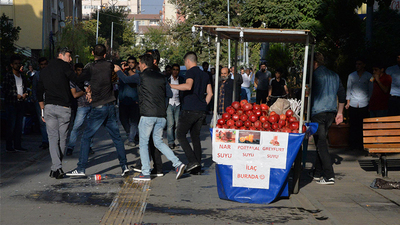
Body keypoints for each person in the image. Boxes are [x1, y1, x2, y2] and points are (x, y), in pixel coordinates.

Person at [116, 54, 186, 181]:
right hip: (161, 115)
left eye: (139, 64)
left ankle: (146, 172)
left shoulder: (141, 76)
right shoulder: (162, 77)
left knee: (143, 143)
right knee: (158, 142)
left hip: (147, 115)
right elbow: (169, 93)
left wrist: (118, 71)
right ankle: (178, 163)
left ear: (142, 64)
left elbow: (126, 80)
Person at [66, 44, 129, 177]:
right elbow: (118, 72)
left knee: (86, 137)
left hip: (98, 105)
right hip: (110, 104)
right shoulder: (110, 65)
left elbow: (78, 80)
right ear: (105, 54)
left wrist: (86, 89)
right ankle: (124, 166)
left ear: (93, 53)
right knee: (117, 137)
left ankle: (81, 168)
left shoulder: (90, 67)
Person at [37, 47, 81, 179]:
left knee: (52, 138)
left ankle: (55, 167)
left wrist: (42, 109)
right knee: (62, 138)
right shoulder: (65, 67)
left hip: (49, 107)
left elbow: (38, 92)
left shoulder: (44, 71)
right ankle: (58, 166)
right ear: (61, 55)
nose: (71, 59)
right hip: (64, 107)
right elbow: (75, 79)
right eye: (69, 56)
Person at [171, 51, 213, 175]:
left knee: (180, 134)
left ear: (188, 61)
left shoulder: (190, 72)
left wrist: (171, 86)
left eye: (185, 62)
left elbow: (188, 86)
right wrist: (203, 105)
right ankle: (197, 167)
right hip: (201, 110)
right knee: (195, 137)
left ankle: (192, 161)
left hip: (189, 109)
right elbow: (210, 93)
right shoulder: (205, 74)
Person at [310, 52, 346, 185]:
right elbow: (342, 95)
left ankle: (329, 175)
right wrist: (340, 113)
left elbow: (309, 94)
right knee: (322, 141)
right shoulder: (335, 75)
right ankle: (317, 173)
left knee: (321, 143)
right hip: (331, 112)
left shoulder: (314, 75)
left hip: (317, 112)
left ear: (315, 63)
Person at [65, 63, 94, 156]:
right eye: (78, 70)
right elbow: (75, 94)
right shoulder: (73, 81)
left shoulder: (88, 80)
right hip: (81, 106)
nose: (80, 72)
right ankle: (70, 147)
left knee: (90, 128)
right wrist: (85, 91)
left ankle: (89, 147)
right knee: (76, 127)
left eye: (82, 70)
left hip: (91, 105)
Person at [2, 54, 29, 152]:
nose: (17, 65)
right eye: (15, 64)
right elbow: (5, 89)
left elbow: (25, 88)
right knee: (11, 125)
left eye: (19, 63)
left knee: (19, 126)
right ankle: (9, 146)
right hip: (11, 103)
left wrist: (25, 94)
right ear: (11, 65)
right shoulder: (8, 76)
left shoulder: (22, 76)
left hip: (20, 103)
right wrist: (15, 95)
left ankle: (18, 145)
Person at [345, 58, 373, 151]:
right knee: (353, 125)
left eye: (359, 64)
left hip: (364, 103)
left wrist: (369, 103)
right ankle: (353, 145)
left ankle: (362, 144)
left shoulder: (369, 76)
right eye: (356, 64)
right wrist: (348, 102)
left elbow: (371, 90)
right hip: (353, 102)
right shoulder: (351, 76)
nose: (357, 66)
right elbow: (349, 89)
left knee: (363, 125)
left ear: (364, 65)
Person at [119, 56, 140, 147]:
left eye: (132, 62)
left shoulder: (137, 74)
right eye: (129, 62)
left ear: (135, 64)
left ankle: (131, 139)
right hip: (123, 101)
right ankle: (131, 134)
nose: (130, 64)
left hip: (134, 101)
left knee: (133, 122)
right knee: (123, 120)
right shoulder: (123, 72)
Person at [32, 57, 49, 149]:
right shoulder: (37, 75)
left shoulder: (51, 74)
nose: (43, 66)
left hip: (49, 101)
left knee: (51, 121)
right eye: (41, 64)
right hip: (40, 101)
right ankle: (45, 141)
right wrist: (35, 99)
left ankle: (51, 140)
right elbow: (34, 88)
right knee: (42, 122)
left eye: (45, 64)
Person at [167, 64, 185, 149]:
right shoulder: (167, 79)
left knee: (177, 124)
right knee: (170, 123)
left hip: (178, 103)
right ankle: (170, 141)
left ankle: (174, 139)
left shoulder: (181, 79)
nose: (175, 71)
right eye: (173, 69)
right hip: (169, 103)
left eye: (177, 69)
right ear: (171, 70)